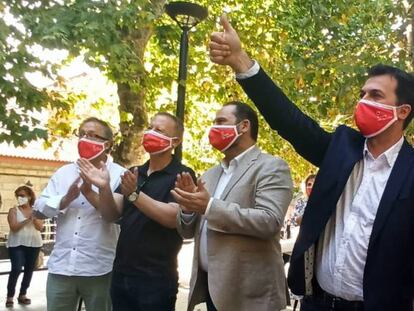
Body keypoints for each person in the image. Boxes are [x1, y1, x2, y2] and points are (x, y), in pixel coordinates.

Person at [209, 15, 414, 311]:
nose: (363, 101)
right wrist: (240, 60)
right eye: (362, 94)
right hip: (318, 304)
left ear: (403, 111)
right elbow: (290, 122)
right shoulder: (342, 150)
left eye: (375, 95)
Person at [171, 101, 293, 311]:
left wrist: (209, 207)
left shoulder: (271, 167)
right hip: (214, 290)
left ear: (244, 126)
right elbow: (189, 231)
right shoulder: (210, 174)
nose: (214, 129)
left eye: (221, 122)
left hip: (250, 295)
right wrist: (189, 208)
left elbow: (269, 221)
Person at [77, 112, 196, 311]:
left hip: (156, 278)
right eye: (150, 127)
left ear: (175, 141)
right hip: (122, 273)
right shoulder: (134, 172)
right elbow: (111, 214)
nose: (150, 133)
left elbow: (172, 218)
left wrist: (134, 195)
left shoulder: (181, 175)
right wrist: (100, 188)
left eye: (159, 130)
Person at [33, 117, 126, 311]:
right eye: (82, 134)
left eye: (92, 135)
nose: (85, 139)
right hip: (61, 267)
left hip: (100, 268)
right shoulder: (63, 173)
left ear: (107, 144)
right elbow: (38, 211)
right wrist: (64, 200)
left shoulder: (121, 174)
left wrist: (97, 191)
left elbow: (116, 216)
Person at [5, 184, 43, 308]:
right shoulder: (13, 210)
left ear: (30, 196)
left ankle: (22, 294)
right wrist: (28, 219)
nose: (20, 198)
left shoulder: (36, 210)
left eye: (22, 196)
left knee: (29, 270)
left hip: (34, 244)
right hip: (17, 244)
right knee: (16, 268)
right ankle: (10, 296)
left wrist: (34, 217)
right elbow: (14, 228)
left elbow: (40, 227)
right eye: (18, 196)